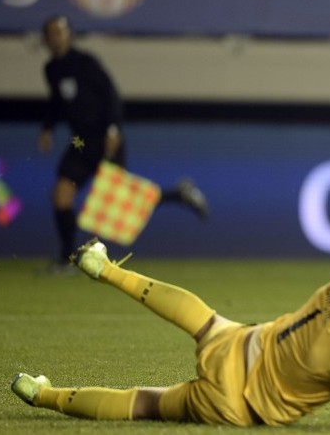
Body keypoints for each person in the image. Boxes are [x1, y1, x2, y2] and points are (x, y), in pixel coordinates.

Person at [11, 238, 330, 427]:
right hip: (237, 403)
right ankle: (42, 396)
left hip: (244, 343)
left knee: (202, 317)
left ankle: (104, 271)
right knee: (146, 405)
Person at [39, 15, 209, 272]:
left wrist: (113, 128)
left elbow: (111, 95)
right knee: (61, 195)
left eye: (59, 32)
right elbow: (57, 103)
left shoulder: (86, 63)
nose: (55, 38)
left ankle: (179, 194)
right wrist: (48, 128)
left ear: (69, 35)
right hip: (80, 141)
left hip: (104, 138)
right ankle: (67, 260)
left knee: (120, 201)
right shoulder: (51, 69)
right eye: (50, 33)